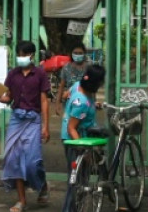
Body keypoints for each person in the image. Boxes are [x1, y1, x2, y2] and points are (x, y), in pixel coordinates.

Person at [0, 40, 50, 212]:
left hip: (33, 119)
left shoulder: (40, 74)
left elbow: (44, 101)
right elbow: (6, 96)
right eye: (19, 54)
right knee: (13, 159)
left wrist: (45, 126)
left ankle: (42, 186)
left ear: (32, 55)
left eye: (24, 55)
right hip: (17, 118)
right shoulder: (12, 74)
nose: (21, 58)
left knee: (33, 161)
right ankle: (22, 201)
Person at [60, 64, 106, 212]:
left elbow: (65, 95)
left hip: (78, 136)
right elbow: (72, 128)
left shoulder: (77, 86)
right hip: (75, 139)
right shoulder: (82, 103)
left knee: (79, 180)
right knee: (76, 182)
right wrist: (83, 150)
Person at [54, 42, 90, 116]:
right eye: (75, 53)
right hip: (69, 102)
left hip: (86, 102)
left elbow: (93, 86)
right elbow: (61, 87)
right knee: (70, 124)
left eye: (80, 53)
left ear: (84, 53)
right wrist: (57, 103)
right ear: (71, 53)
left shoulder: (89, 68)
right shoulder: (66, 67)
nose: (78, 55)